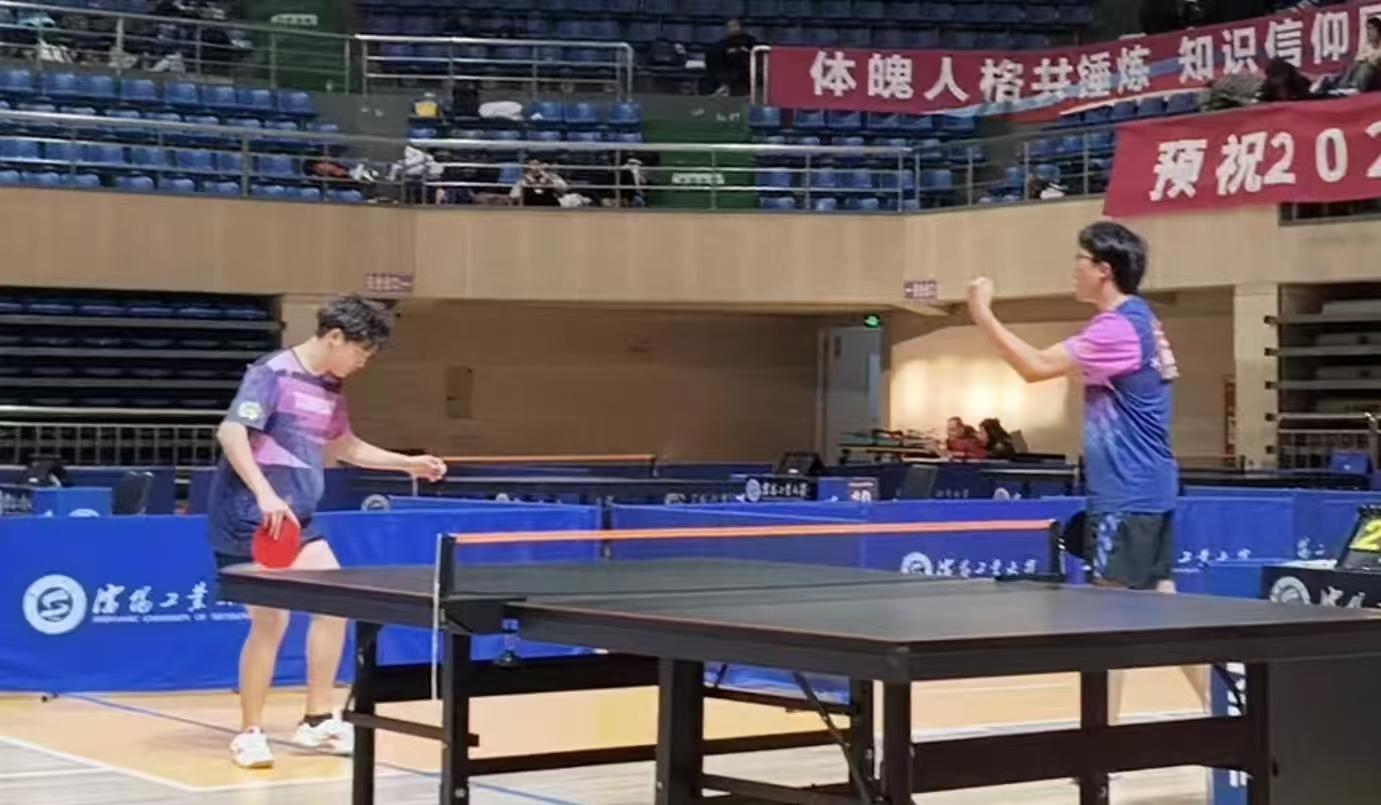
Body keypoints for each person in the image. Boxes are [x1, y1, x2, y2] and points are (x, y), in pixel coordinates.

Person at [965, 221, 1206, 718]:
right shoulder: (1140, 319)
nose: (1073, 268)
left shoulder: (1117, 327)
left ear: (1104, 269)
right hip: (1150, 485)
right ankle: (1227, 708)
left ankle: (1100, 735)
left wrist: (981, 313)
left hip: (1126, 491)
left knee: (1107, 612)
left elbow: (1034, 367)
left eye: (1080, 259)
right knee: (1164, 602)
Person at [209, 295, 447, 769]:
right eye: (361, 352)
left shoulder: (330, 388)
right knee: (271, 621)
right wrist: (265, 495)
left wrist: (407, 463)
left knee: (334, 604)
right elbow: (231, 433)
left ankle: (317, 720)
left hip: (299, 519)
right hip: (250, 517)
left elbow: (345, 446)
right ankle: (250, 733)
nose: (363, 363)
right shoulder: (272, 372)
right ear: (335, 337)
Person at [704, 19, 759, 96]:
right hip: (728, 70)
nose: (733, 29)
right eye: (730, 27)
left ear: (741, 28)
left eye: (735, 26)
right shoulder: (720, 45)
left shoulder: (750, 41)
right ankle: (722, 87)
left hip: (745, 71)